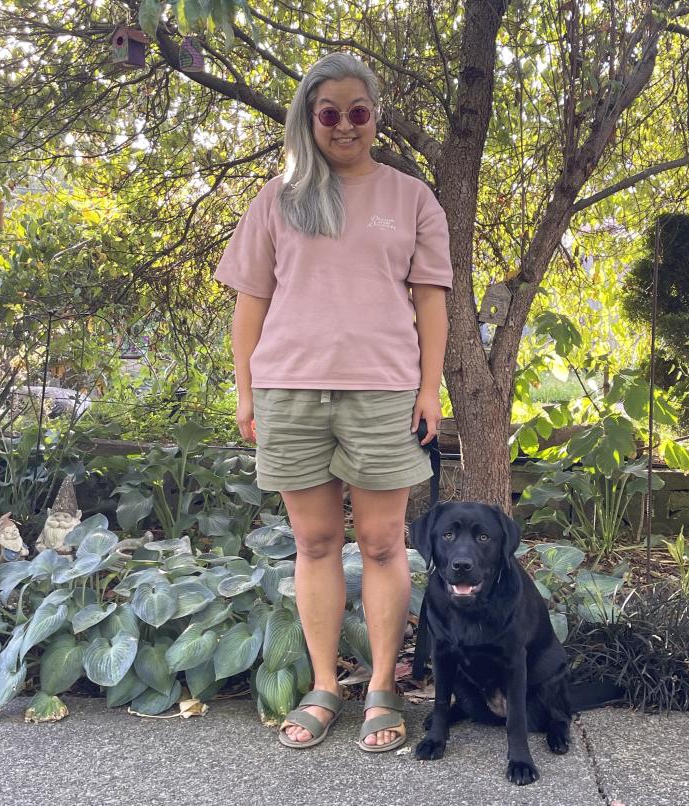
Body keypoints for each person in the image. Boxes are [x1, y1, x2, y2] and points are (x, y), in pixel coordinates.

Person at [214, 52, 452, 752]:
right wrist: (246, 390)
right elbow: (249, 307)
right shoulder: (278, 198)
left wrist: (429, 389)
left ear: (374, 115)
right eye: (329, 113)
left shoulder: (412, 198)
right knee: (315, 543)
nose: (345, 125)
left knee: (382, 543)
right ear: (308, 120)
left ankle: (381, 686)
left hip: (384, 393)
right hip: (289, 390)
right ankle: (324, 684)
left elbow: (431, 303)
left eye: (358, 111)